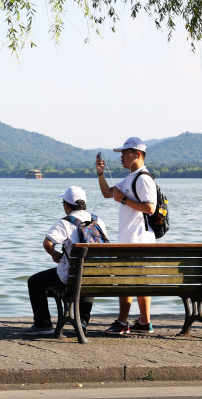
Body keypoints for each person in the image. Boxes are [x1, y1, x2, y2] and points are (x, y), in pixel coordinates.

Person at [23, 186, 108, 336]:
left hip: (70, 276)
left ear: (66, 205)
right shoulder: (98, 221)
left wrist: (54, 254)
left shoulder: (65, 223)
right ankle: (83, 321)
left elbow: (47, 243)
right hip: (96, 275)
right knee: (87, 275)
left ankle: (43, 324)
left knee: (34, 282)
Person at [96, 136, 157, 335]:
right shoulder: (130, 178)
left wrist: (123, 201)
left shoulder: (143, 178)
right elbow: (107, 193)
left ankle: (122, 322)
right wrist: (100, 174)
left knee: (126, 279)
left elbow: (150, 208)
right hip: (134, 239)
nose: (121, 157)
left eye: (125, 153)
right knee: (140, 281)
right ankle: (144, 322)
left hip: (137, 240)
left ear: (136, 155)